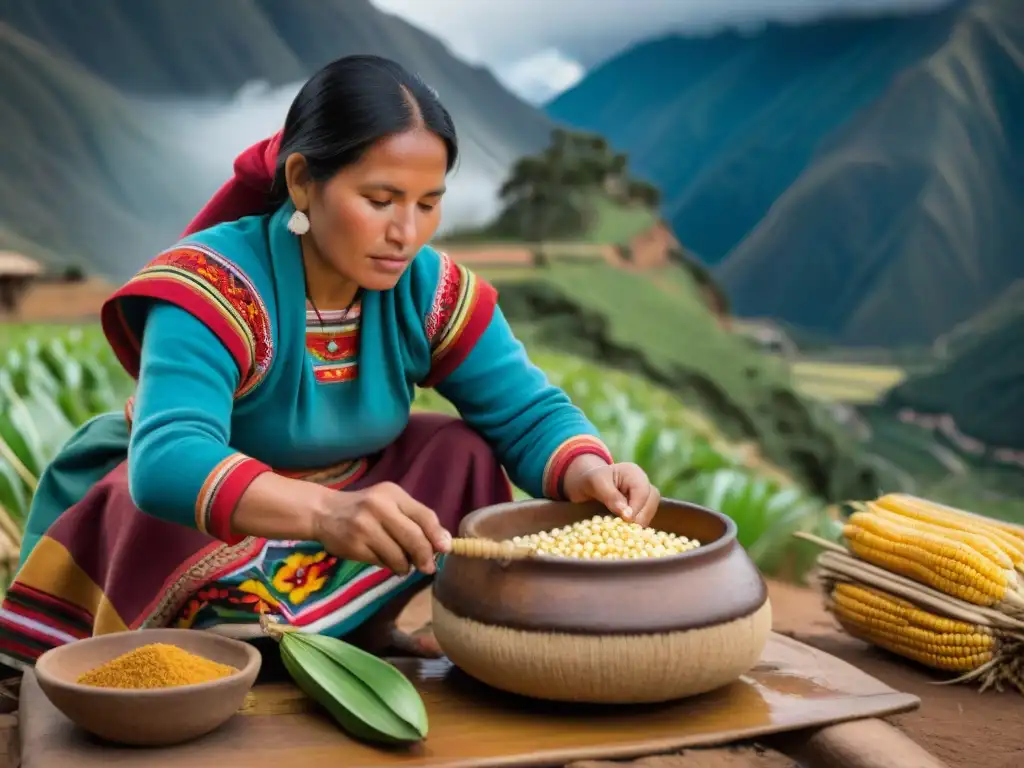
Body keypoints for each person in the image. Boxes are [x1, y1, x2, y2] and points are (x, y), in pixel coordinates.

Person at [0, 55, 658, 670]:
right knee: (149, 507)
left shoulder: (431, 291)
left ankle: (357, 626)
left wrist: (590, 471)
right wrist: (324, 514)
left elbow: (524, 410)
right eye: (380, 200)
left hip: (344, 491)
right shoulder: (212, 286)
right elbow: (170, 458)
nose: (406, 231)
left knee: (463, 451)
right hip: (204, 519)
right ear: (301, 183)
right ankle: (217, 651)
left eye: (428, 204)